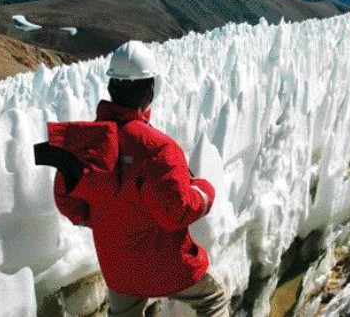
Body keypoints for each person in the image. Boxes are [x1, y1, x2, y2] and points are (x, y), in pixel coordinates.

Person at [34, 41, 229, 317]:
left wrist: (106, 218)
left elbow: (71, 205)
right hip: (166, 266)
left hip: (118, 270)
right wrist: (203, 190)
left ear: (112, 88)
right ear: (150, 91)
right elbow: (176, 211)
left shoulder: (90, 144)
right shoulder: (158, 148)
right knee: (214, 300)